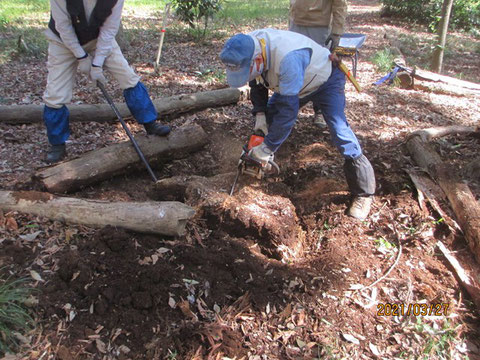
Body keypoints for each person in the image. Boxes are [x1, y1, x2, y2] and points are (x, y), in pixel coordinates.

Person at [219, 28, 375, 220]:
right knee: (270, 118)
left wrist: (266, 148)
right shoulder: (246, 46)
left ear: (257, 60)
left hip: (326, 81)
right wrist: (260, 115)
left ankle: (364, 193)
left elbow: (288, 112)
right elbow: (256, 81)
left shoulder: (287, 59)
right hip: (295, 82)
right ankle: (264, 159)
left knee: (339, 129)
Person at [43, 0, 171, 164]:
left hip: (99, 40)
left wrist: (97, 64)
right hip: (61, 42)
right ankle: (57, 145)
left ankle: (150, 123)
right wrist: (81, 56)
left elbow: (109, 30)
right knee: (55, 94)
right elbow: (63, 27)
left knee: (128, 77)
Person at [289, 0, 347, 127]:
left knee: (320, 66)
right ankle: (290, 110)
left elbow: (340, 4)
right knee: (296, 66)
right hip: (296, 21)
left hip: (319, 25)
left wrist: (336, 32)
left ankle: (319, 109)